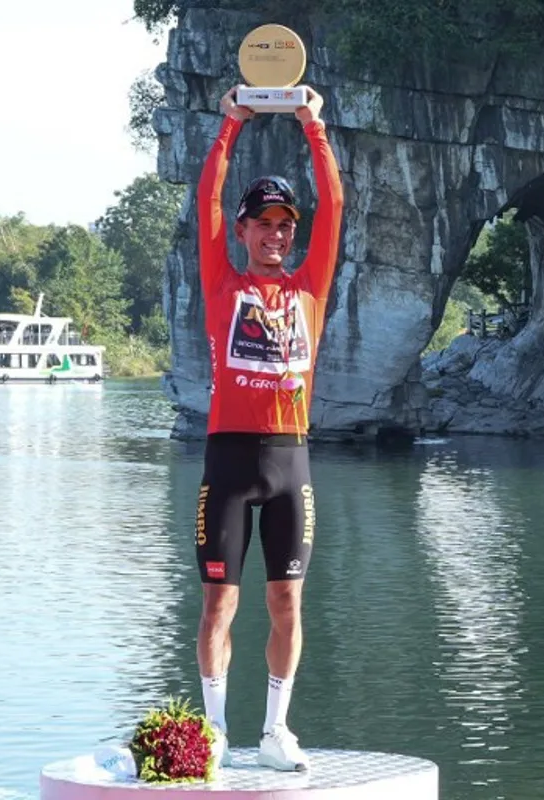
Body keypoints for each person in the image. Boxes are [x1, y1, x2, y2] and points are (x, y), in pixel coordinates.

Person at [193, 83, 344, 773]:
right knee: (219, 606)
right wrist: (229, 126)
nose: (277, 234)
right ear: (245, 230)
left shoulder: (311, 283)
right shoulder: (224, 284)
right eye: (264, 224)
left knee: (287, 602)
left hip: (291, 463)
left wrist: (314, 125)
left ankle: (276, 731)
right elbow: (206, 204)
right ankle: (215, 731)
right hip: (228, 460)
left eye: (286, 224)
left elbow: (335, 204)